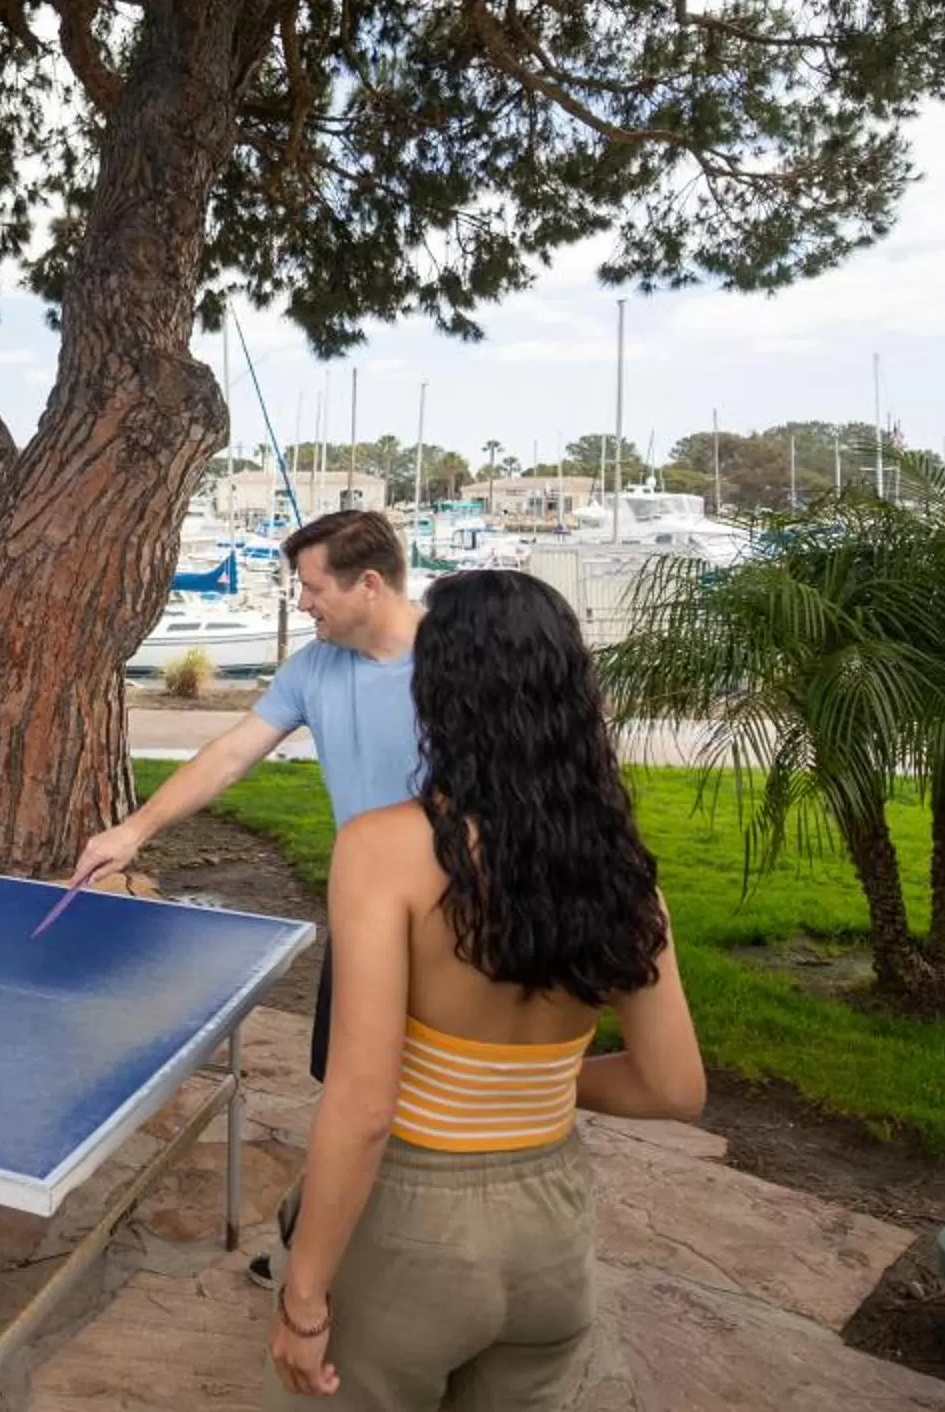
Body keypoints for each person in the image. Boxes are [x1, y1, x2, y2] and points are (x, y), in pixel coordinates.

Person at [265, 568, 704, 1408]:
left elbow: (361, 1107)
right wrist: (524, 1082)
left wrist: (304, 1294)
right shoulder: (621, 872)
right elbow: (674, 1086)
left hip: (412, 1232)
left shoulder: (382, 851)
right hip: (553, 1239)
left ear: (441, 693)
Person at [71, 508, 424, 1082]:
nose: (303, 602)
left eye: (312, 588)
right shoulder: (311, 668)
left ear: (368, 585)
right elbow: (230, 755)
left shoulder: (461, 663)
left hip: (450, 907)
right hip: (363, 903)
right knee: (346, 1076)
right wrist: (134, 830)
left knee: (434, 1080)